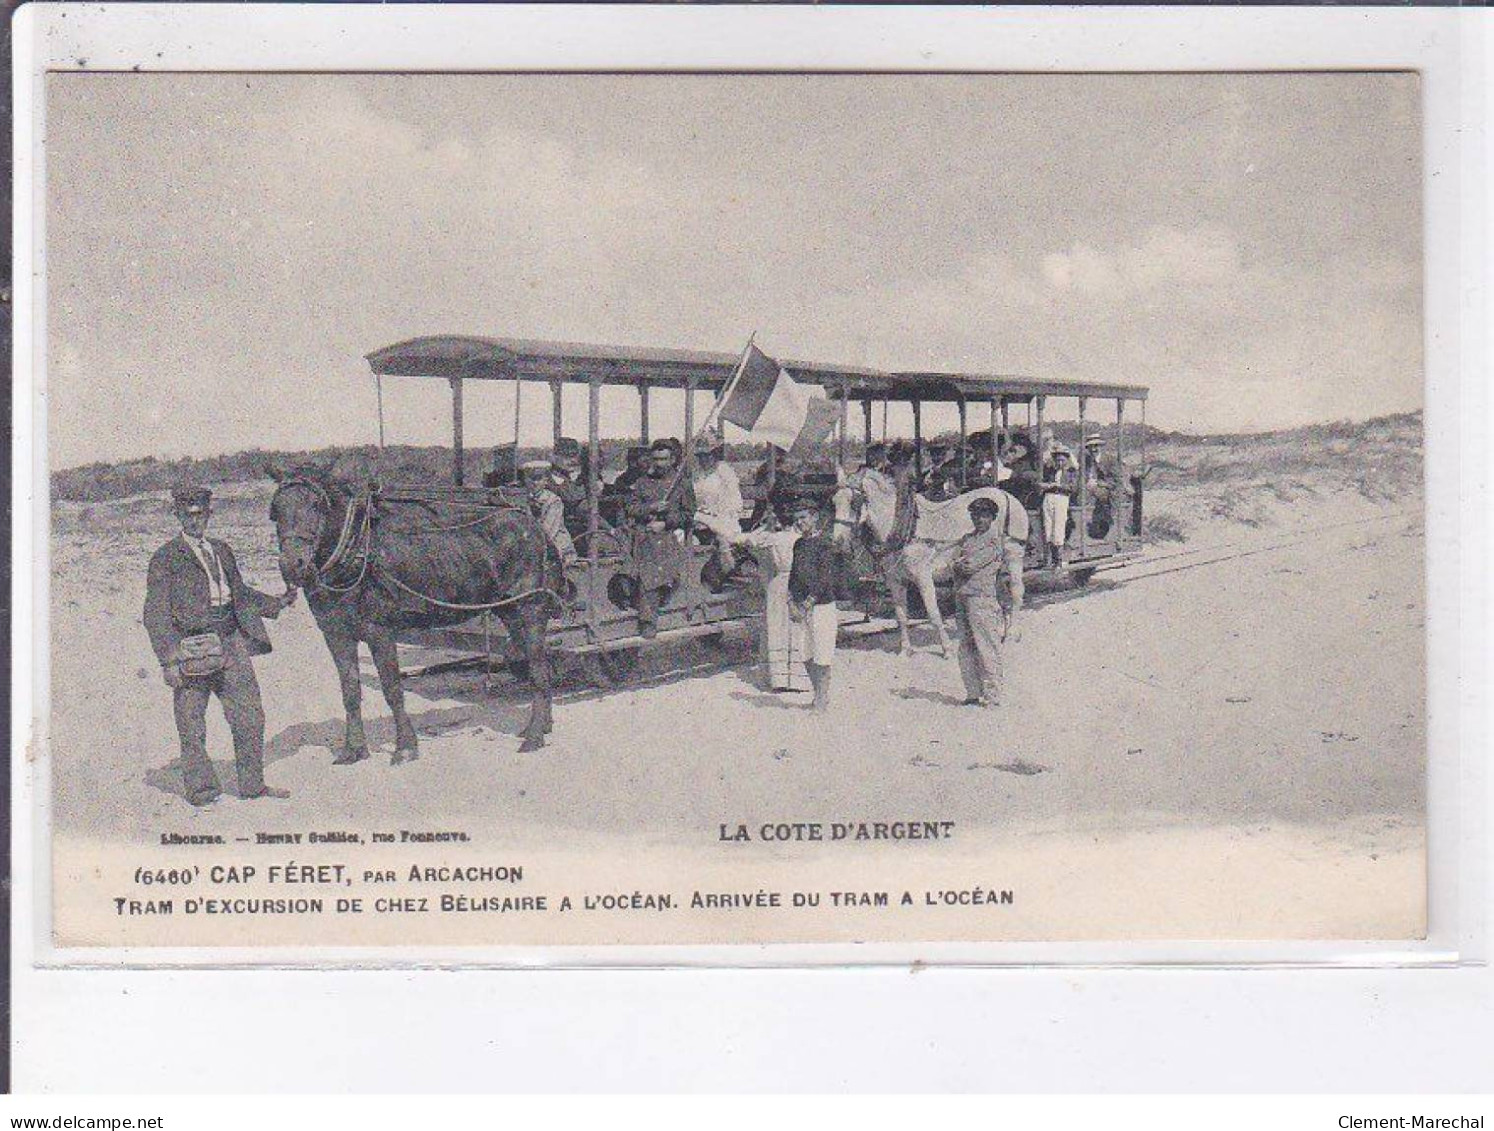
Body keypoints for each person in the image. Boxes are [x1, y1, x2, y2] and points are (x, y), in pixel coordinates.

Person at [143, 484, 296, 807]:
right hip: (192, 649)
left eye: (200, 515)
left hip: (231, 643)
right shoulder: (165, 558)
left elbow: (239, 593)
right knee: (191, 724)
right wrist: (169, 661)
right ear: (178, 516)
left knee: (250, 716)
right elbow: (155, 614)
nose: (194, 521)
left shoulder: (222, 550)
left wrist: (276, 603)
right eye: (188, 515)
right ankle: (201, 791)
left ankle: (252, 786)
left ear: (209, 516)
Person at [729, 500, 807, 691]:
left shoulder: (771, 539)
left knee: (775, 625)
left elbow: (740, 539)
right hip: (797, 583)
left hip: (777, 584)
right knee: (796, 627)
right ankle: (798, 679)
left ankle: (777, 678)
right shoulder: (798, 538)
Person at [625, 438, 696, 637]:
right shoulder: (642, 482)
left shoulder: (681, 484)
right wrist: (652, 507)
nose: (659, 463)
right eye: (656, 459)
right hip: (643, 531)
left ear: (673, 460)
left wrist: (665, 522)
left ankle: (648, 618)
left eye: (664, 459)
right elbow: (630, 508)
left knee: (653, 554)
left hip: (671, 533)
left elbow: (689, 515)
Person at [787, 497, 851, 713]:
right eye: (796, 519)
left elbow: (825, 577)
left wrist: (810, 601)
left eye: (803, 518)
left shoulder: (825, 544)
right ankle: (818, 694)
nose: (800, 523)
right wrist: (791, 602)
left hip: (821, 606)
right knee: (805, 653)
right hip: (801, 606)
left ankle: (822, 699)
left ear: (814, 518)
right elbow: (793, 576)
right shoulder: (798, 545)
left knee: (822, 655)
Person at [948, 496, 1009, 708]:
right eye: (975, 515)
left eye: (984, 516)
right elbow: (952, 562)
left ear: (992, 518)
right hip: (963, 596)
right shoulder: (967, 539)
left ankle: (993, 695)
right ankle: (972, 692)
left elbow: (968, 565)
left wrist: (959, 563)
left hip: (982, 598)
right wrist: (957, 563)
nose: (979, 520)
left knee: (986, 646)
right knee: (965, 646)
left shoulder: (994, 541)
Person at [691, 438, 744, 574]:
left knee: (722, 532)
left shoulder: (724, 471)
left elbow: (734, 498)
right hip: (700, 515)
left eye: (707, 455)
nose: (704, 460)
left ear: (714, 454)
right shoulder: (697, 474)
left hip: (723, 515)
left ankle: (728, 568)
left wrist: (718, 513)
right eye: (700, 456)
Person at [522, 459, 579, 568]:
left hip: (556, 546)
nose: (534, 483)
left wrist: (524, 539)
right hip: (531, 543)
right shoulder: (523, 499)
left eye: (538, 479)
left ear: (546, 481)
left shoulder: (553, 501)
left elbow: (548, 531)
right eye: (531, 479)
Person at [1039, 445, 1077, 568]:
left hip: (1061, 498)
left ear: (1067, 459)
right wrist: (1046, 486)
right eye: (1058, 459)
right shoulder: (1051, 471)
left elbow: (1072, 488)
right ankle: (1049, 558)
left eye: (1062, 460)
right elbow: (1043, 483)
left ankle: (1058, 560)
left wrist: (1057, 486)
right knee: (1048, 527)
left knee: (1058, 528)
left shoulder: (1071, 472)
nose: (1060, 462)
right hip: (1049, 497)